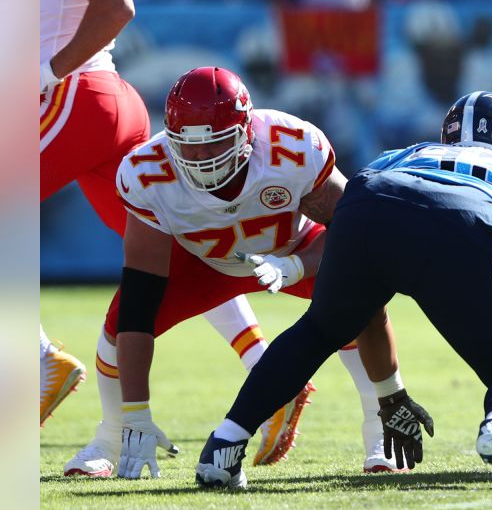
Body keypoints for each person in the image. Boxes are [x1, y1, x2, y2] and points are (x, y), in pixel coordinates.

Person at [195, 91, 492, 489]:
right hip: (470, 218)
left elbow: (367, 305)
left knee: (319, 330)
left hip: (370, 199)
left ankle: (226, 440)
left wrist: (390, 395)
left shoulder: (405, 154)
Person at [63, 67, 395, 479]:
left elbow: (353, 233)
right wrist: (136, 413)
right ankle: (111, 437)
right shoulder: (149, 173)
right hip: (205, 262)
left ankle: (380, 426)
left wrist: (297, 265)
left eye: (215, 144)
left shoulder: (290, 146)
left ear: (245, 131)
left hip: (291, 249)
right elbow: (138, 302)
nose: (201, 158)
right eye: (188, 146)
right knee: (116, 330)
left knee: (358, 296)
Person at [39, 0, 261, 429]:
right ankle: (266, 371)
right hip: (97, 97)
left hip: (75, 96)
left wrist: (44, 72)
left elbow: (115, 4)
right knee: (175, 247)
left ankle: (36, 361)